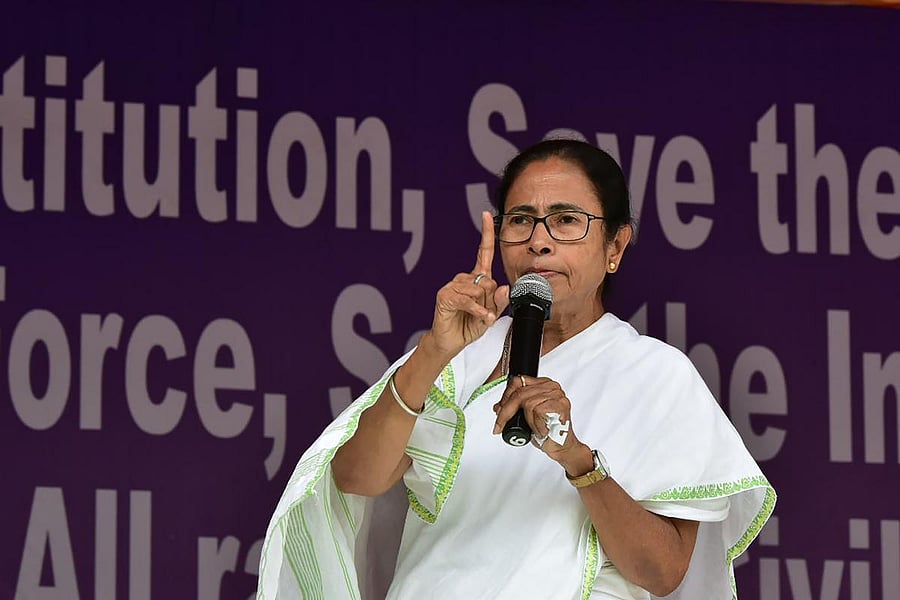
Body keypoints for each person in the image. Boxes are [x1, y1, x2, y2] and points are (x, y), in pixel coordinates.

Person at [257, 139, 775, 599]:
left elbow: (662, 573)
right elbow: (356, 478)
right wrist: (433, 351)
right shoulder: (456, 356)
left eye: (567, 220)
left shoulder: (656, 374)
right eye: (521, 220)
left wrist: (577, 460)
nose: (538, 241)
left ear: (615, 247)